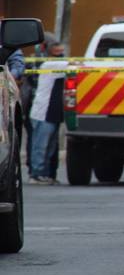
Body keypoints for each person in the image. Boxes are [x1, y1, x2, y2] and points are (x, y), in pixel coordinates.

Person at [28, 40, 66, 185]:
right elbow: (73, 65)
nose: (61, 55)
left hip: (53, 113)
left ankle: (44, 174)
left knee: (49, 148)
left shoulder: (53, 64)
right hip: (43, 113)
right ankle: (36, 175)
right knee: (40, 147)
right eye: (58, 52)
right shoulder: (49, 65)